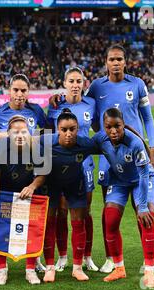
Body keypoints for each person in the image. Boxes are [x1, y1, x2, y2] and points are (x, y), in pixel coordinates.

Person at [85, 44, 154, 274]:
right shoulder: (97, 86)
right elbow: (87, 110)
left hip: (136, 151)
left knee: (144, 208)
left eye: (119, 59)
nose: (115, 63)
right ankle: (111, 258)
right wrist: (104, 135)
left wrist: (153, 146)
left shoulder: (137, 84)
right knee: (109, 209)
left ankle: (150, 260)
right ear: (105, 62)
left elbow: (147, 117)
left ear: (125, 61)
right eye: (111, 59)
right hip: (110, 157)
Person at [92, 108, 154, 289]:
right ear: (104, 127)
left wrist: (142, 206)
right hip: (119, 181)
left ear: (123, 125)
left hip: (141, 180)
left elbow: (144, 174)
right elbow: (84, 146)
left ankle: (149, 270)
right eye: (108, 127)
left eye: (117, 126)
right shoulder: (100, 138)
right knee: (110, 219)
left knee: (147, 219)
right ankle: (119, 268)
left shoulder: (135, 143)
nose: (113, 131)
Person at [0, 73, 47, 273]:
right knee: (3, 218)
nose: (20, 94)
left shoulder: (37, 111)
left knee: (33, 220)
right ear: (9, 91)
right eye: (16, 90)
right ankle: (1, 263)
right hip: (5, 168)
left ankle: (34, 259)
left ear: (28, 92)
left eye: (24, 90)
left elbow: (46, 133)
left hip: (29, 169)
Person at [46, 67, 98, 273]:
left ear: (84, 84)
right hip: (61, 166)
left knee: (85, 211)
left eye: (79, 81)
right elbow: (49, 136)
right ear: (65, 83)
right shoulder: (56, 105)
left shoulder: (92, 104)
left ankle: (87, 256)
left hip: (84, 165)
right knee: (61, 211)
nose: (75, 85)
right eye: (72, 81)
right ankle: (62, 256)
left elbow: (100, 129)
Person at [40, 109, 100, 283]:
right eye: (64, 129)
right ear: (57, 129)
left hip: (75, 185)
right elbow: (21, 140)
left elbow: (107, 143)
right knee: (49, 223)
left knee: (78, 222)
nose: (68, 133)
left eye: (72, 129)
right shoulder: (45, 142)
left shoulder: (85, 144)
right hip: (51, 184)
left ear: (77, 128)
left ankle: (77, 268)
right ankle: (50, 267)